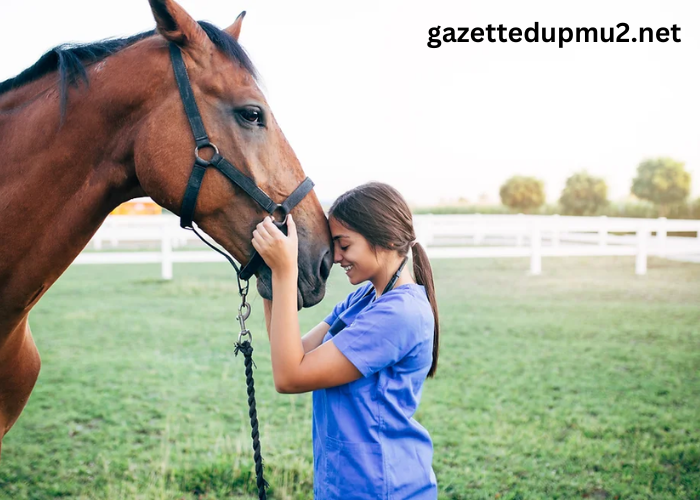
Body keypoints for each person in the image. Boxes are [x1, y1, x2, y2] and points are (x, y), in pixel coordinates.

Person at [252, 182, 440, 499]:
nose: (337, 257)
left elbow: (289, 377)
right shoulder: (365, 297)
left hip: (382, 487)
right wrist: (270, 273)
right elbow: (289, 352)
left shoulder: (400, 314)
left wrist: (285, 272)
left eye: (344, 245)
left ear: (388, 239)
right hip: (345, 483)